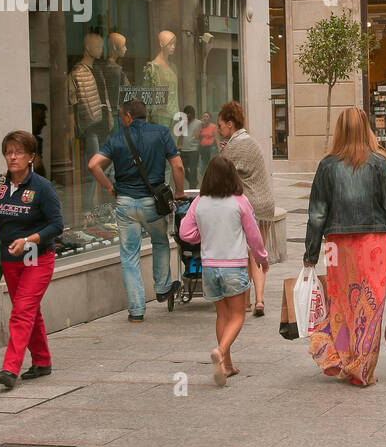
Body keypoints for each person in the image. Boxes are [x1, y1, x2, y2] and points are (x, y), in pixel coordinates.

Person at [303, 107, 386, 387]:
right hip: (373, 243)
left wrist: (310, 253)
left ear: (339, 131)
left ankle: (342, 359)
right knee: (370, 303)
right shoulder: (379, 163)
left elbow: (317, 213)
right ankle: (362, 367)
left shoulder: (327, 165)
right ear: (366, 128)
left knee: (341, 303)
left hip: (336, 244)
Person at [0, 130, 63, 390]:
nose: (12, 157)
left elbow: (57, 225)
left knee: (21, 312)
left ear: (31, 157)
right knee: (29, 312)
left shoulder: (42, 187)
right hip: (8, 260)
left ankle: (9, 368)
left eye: (19, 153)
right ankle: (42, 361)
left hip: (37, 258)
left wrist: (31, 239)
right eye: (8, 152)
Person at [88, 99, 185, 321]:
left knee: (129, 256)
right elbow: (178, 166)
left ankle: (136, 311)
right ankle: (162, 287)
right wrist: (179, 191)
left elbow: (93, 164)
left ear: (129, 117)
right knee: (160, 241)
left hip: (125, 205)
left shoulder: (117, 138)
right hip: (152, 203)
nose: (121, 121)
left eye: (121, 117)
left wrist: (109, 186)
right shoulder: (161, 133)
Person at [178, 155, 269, 386]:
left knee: (222, 315)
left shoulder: (199, 201)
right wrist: (261, 258)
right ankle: (220, 351)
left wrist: (204, 235)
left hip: (209, 268)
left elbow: (185, 233)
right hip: (233, 267)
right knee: (238, 315)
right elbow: (254, 235)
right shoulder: (239, 201)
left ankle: (227, 365)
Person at [216, 100, 276, 317]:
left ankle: (247, 301)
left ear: (230, 124)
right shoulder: (250, 141)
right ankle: (260, 299)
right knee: (258, 254)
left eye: (221, 125)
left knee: (243, 254)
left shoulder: (233, 146)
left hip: (246, 206)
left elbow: (219, 170)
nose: (219, 129)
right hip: (265, 204)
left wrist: (221, 152)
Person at [179, 104, 202, 186]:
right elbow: (180, 135)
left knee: (193, 169)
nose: (186, 115)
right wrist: (179, 145)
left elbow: (200, 133)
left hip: (194, 149)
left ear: (191, 114)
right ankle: (194, 181)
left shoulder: (199, 123)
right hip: (184, 149)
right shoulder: (183, 123)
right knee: (182, 169)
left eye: (187, 114)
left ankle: (192, 187)